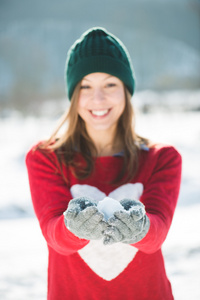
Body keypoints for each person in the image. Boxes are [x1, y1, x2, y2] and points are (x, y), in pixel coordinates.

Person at [26, 27, 182, 300]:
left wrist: (141, 229)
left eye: (110, 84)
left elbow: (156, 234)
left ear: (126, 90)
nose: (97, 99)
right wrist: (73, 227)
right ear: (73, 95)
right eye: (85, 86)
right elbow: (54, 234)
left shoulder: (161, 158)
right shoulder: (46, 158)